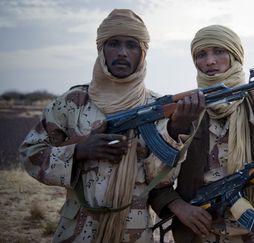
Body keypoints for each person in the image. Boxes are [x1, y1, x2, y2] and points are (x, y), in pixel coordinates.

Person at [19, 9, 205, 243]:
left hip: (133, 232)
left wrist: (175, 129)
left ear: (143, 53)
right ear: (101, 49)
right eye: (113, 44)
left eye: (132, 45)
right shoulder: (72, 102)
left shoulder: (157, 107)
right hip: (78, 231)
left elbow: (161, 181)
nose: (122, 53)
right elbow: (30, 154)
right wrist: (79, 151)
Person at [150, 25, 254, 243]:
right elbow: (153, 176)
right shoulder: (186, 109)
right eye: (201, 54)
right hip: (199, 236)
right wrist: (179, 207)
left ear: (235, 56)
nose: (210, 61)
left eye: (219, 51)